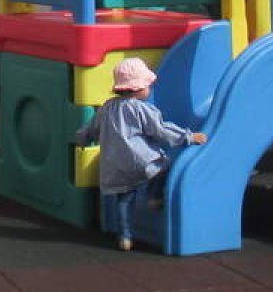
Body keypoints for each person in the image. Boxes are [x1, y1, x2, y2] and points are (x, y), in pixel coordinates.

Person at [75, 57, 208, 251]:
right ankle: (154, 196)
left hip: (115, 166)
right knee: (165, 166)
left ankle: (125, 236)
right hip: (142, 161)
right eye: (148, 86)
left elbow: (91, 129)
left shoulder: (107, 108)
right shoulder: (142, 109)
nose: (150, 90)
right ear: (138, 88)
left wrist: (82, 138)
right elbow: (161, 130)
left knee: (124, 199)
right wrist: (188, 137)